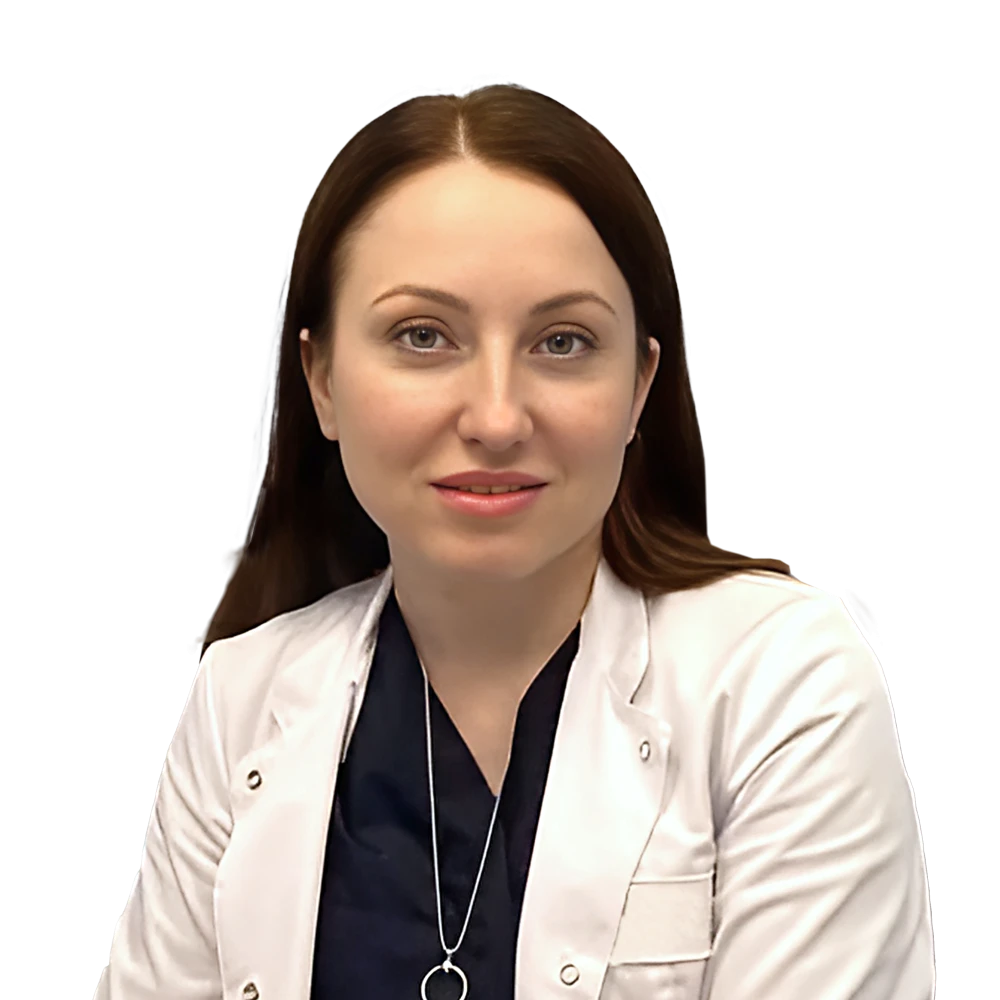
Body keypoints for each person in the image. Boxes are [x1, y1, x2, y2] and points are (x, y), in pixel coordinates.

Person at [95, 82, 934, 999]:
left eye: (562, 342)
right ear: (321, 378)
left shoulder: (783, 682)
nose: (496, 419)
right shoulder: (238, 702)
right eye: (423, 335)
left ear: (640, 387)